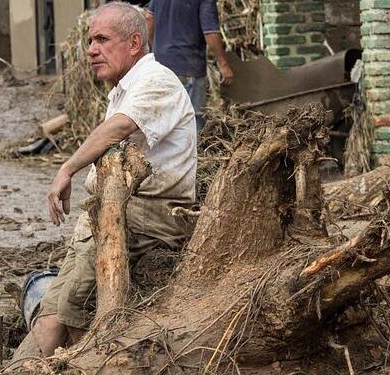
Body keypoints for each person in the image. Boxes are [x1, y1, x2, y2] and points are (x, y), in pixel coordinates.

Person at [13, 1, 196, 360]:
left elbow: (121, 127)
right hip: (108, 213)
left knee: (66, 310)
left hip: (148, 215)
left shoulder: (156, 81)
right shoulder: (126, 87)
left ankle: (56, 365)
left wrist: (67, 168)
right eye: (89, 40)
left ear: (133, 44)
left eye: (101, 39)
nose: (91, 50)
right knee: (52, 309)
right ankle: (24, 366)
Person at [145, 0, 234, 131]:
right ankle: (193, 151)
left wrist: (157, 48)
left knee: (163, 120)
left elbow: (148, 18)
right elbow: (210, 32)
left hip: (160, 67)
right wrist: (223, 64)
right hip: (188, 66)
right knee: (192, 122)